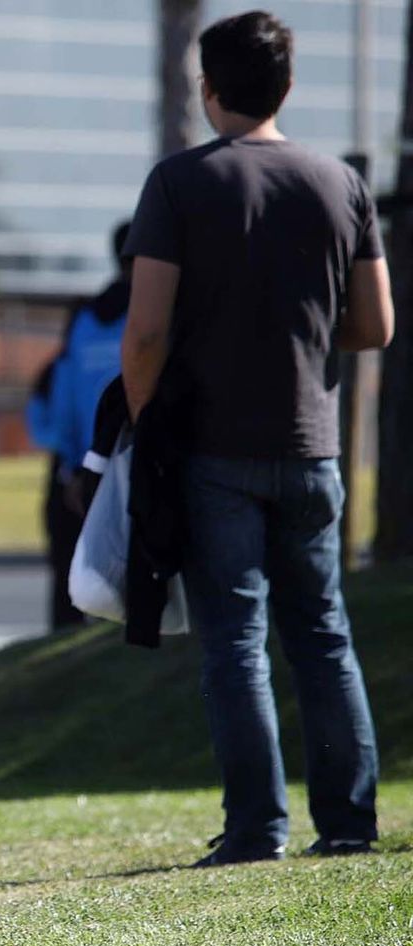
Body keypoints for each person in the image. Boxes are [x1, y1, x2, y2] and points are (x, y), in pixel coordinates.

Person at [120, 11, 393, 867]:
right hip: (312, 445)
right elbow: (376, 325)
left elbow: (145, 332)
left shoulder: (180, 182)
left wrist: (142, 420)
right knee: (323, 633)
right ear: (288, 85)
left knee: (236, 641)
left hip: (212, 450)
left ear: (208, 88)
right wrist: (301, 341)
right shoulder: (341, 183)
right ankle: (347, 822)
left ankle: (255, 828)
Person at [26, 222, 131, 630]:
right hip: (130, 463)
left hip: (80, 467)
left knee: (70, 577)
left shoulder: (84, 319)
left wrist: (71, 467)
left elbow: (62, 403)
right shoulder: (154, 316)